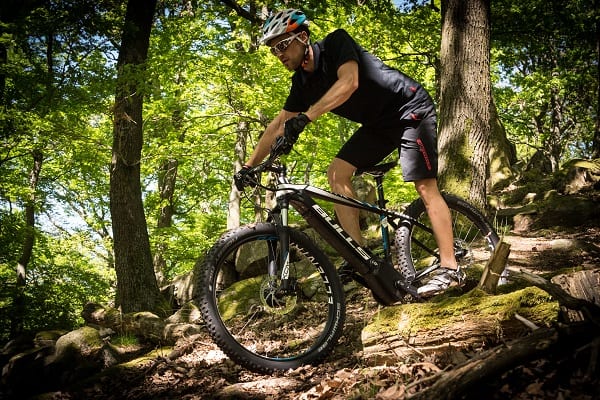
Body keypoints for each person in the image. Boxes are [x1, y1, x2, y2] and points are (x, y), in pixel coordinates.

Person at [234, 9, 461, 296]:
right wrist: (249, 166)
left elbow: (349, 82)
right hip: (377, 125)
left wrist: (306, 117)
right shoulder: (301, 83)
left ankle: (450, 268)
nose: (279, 54)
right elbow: (278, 125)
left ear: (302, 37)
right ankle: (360, 257)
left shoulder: (335, 44)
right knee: (337, 173)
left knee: (425, 186)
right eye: (273, 50)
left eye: (282, 45)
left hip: (409, 110)